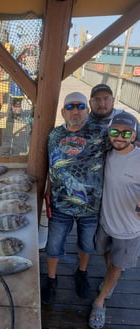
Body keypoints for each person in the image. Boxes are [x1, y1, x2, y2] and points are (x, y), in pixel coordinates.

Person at [41, 92, 109, 304]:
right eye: (70, 107)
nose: (76, 110)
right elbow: (48, 165)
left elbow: (126, 143)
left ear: (88, 110)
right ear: (63, 112)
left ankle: (82, 272)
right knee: (53, 246)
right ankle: (51, 279)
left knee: (86, 244)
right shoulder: (53, 136)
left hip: (91, 205)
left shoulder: (102, 133)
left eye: (80, 106)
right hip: (60, 204)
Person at [88, 112, 140, 329]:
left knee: (117, 265)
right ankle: (111, 281)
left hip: (128, 230)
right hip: (105, 222)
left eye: (126, 133)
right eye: (114, 131)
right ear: (108, 132)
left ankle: (99, 302)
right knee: (107, 256)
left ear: (134, 134)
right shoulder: (107, 154)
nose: (119, 137)